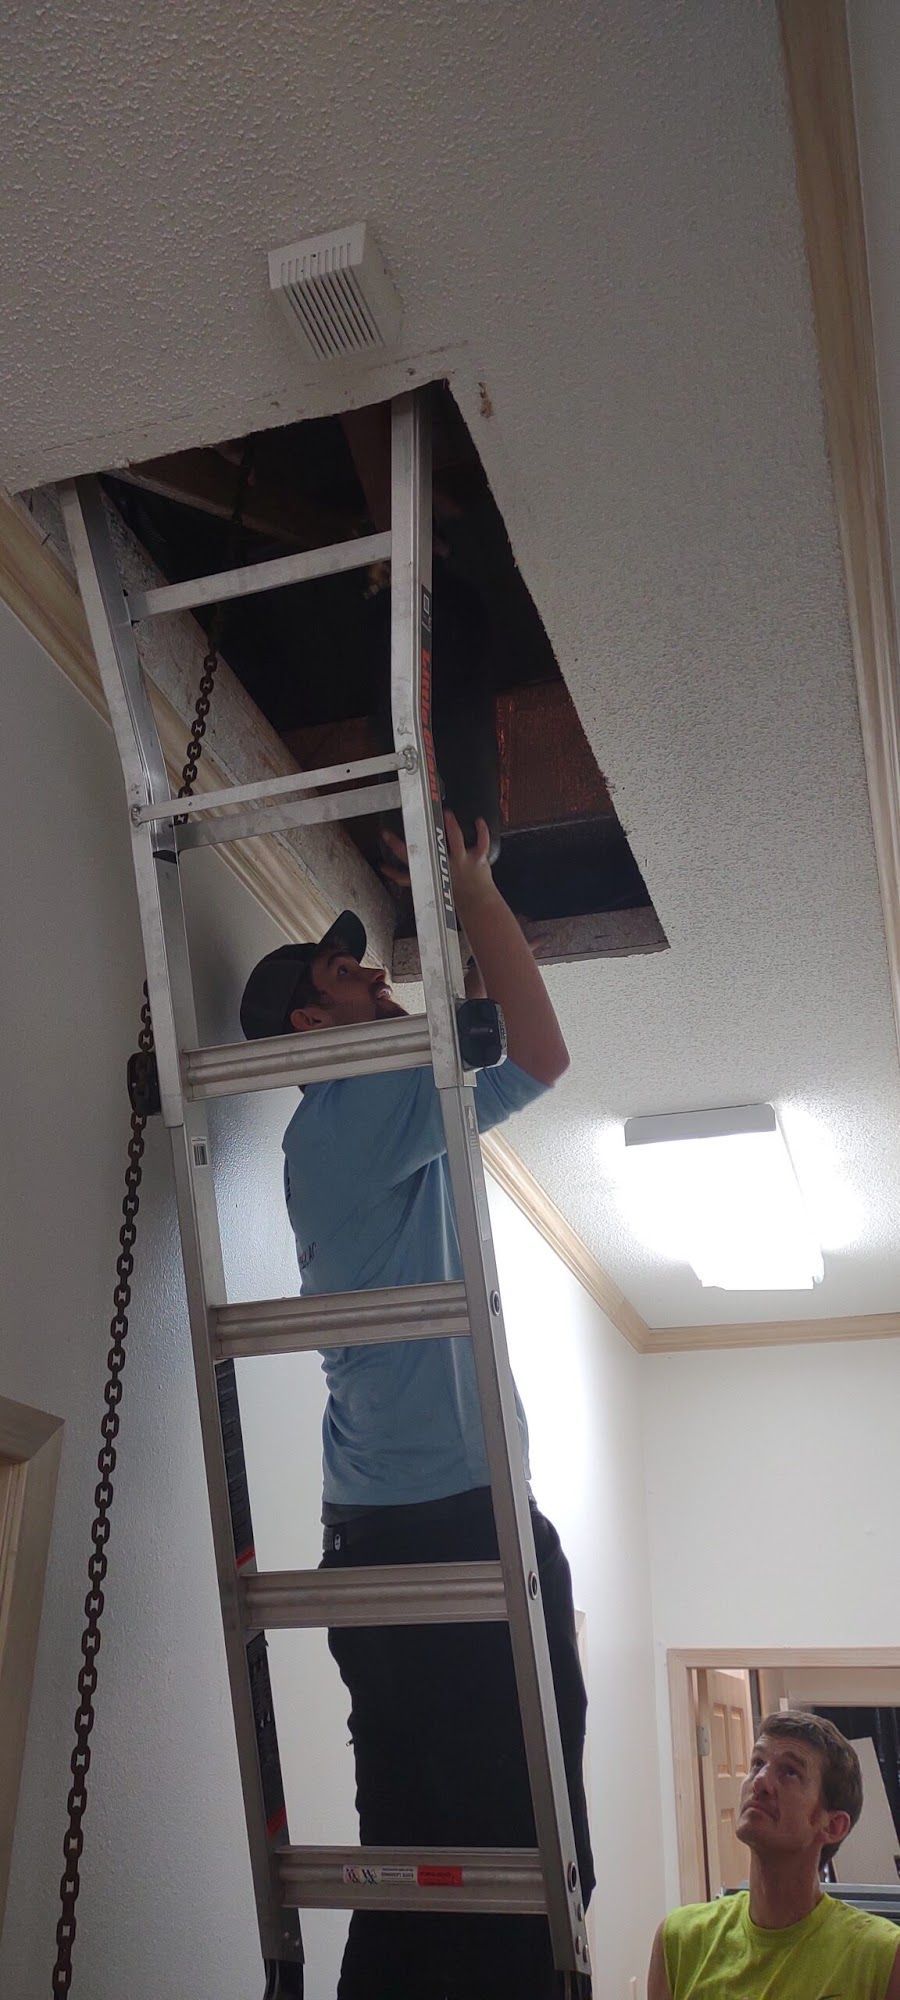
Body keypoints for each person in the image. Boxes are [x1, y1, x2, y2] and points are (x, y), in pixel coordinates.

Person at [240, 810, 595, 2000]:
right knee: (506, 1853)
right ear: (305, 1027)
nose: (376, 976)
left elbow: (536, 1056)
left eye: (358, 964)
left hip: (435, 1522)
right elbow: (532, 1048)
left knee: (472, 1847)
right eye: (348, 973)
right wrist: (467, 888)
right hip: (431, 1526)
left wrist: (473, 888)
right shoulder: (344, 1117)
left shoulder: (391, 1114)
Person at [648, 1709, 900, 1998]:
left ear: (832, 1825)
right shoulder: (680, 1939)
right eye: (757, 1763)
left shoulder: (881, 1956)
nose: (761, 1782)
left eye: (790, 1772)